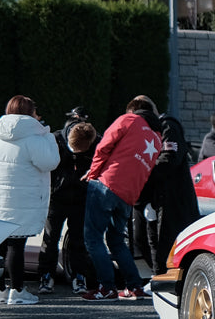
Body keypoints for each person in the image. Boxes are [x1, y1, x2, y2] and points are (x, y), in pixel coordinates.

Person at [0, 96, 60, 305]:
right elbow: (50, 162)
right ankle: (18, 290)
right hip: (23, 199)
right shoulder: (36, 138)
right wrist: (48, 136)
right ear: (31, 112)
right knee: (16, 245)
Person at [80, 96, 163, 301]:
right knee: (117, 241)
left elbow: (103, 147)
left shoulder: (129, 120)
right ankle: (134, 286)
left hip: (107, 184)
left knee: (93, 238)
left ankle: (107, 287)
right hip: (129, 195)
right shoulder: (157, 138)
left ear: (132, 109)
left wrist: (92, 173)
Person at [136, 101, 200, 281]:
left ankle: (166, 278)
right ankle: (160, 276)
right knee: (149, 240)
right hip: (157, 196)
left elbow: (169, 159)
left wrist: (144, 172)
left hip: (172, 198)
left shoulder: (168, 127)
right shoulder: (153, 131)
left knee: (166, 241)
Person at [37, 107, 95, 294]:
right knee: (50, 238)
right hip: (57, 196)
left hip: (81, 196)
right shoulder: (55, 139)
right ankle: (46, 275)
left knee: (78, 240)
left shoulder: (93, 139)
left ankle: (79, 276)